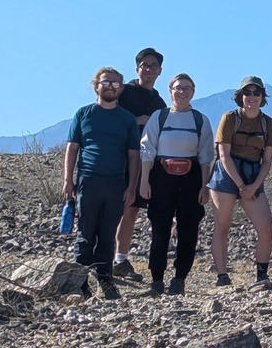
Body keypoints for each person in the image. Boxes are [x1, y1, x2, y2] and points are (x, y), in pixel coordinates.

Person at [62, 67, 141, 300]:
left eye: (116, 84)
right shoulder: (83, 114)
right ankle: (80, 283)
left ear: (121, 88)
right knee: (86, 233)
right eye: (106, 83)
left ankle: (106, 281)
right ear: (96, 85)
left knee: (107, 235)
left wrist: (131, 186)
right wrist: (68, 179)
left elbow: (134, 155)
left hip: (116, 183)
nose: (111, 87)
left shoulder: (126, 118)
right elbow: (72, 148)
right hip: (88, 180)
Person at [139, 74, 215, 296]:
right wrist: (144, 180)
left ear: (193, 91)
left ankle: (179, 278)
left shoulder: (200, 120)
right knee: (160, 229)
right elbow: (147, 150)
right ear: (170, 91)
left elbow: (206, 155)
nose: (182, 92)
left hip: (191, 179)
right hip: (161, 176)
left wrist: (205, 186)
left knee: (188, 229)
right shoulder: (159, 117)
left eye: (187, 88)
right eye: (177, 88)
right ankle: (156, 280)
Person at [208, 76, 272, 289]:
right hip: (226, 175)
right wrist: (240, 186)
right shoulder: (229, 119)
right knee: (222, 226)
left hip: (253, 174)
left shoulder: (269, 124)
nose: (252, 97)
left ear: (262, 97)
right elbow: (224, 155)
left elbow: (267, 160)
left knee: (266, 228)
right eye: (247, 93)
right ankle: (222, 276)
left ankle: (261, 276)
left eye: (257, 93)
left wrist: (254, 186)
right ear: (240, 96)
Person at [113, 48, 167, 282]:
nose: (148, 69)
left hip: (144, 164)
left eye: (153, 65)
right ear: (137, 69)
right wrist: (135, 121)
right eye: (144, 65)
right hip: (118, 159)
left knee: (131, 209)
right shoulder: (124, 93)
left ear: (159, 71)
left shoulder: (160, 102)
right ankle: (101, 258)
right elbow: (109, 115)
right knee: (112, 210)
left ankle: (120, 260)